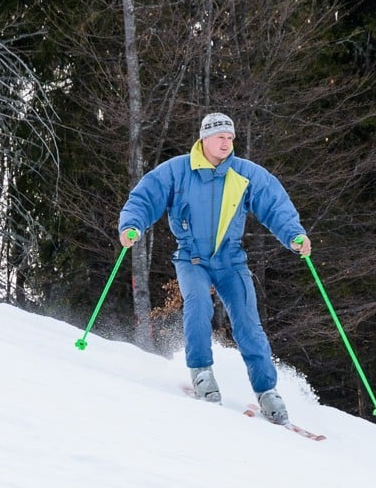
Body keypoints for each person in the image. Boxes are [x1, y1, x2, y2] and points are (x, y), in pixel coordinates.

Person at [118, 113, 312, 425]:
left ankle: (267, 391)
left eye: (230, 138)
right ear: (205, 138)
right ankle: (201, 372)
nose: (226, 142)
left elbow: (275, 204)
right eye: (220, 136)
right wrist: (132, 226)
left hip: (230, 260)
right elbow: (145, 196)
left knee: (248, 322)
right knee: (198, 305)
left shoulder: (244, 173)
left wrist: (295, 235)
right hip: (191, 257)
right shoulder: (179, 170)